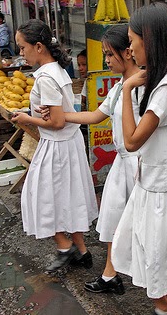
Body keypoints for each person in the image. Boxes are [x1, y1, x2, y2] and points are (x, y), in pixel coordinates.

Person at [111, 2, 167, 315]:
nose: (131, 49)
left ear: (149, 41)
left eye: (133, 41)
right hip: (151, 188)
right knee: (150, 269)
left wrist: (125, 92)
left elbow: (132, 141)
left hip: (165, 195)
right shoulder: (161, 80)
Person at [10, 19, 98, 274]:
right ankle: (81, 251)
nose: (21, 53)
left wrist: (28, 119)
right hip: (67, 144)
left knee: (42, 198)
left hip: (57, 145)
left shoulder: (46, 77)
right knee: (68, 198)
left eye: (22, 47)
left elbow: (57, 121)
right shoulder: (57, 70)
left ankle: (64, 247)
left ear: (38, 47)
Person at [62, 25, 142, 295]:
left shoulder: (144, 86)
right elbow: (96, 116)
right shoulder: (120, 87)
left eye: (110, 54)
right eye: (105, 54)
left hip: (142, 166)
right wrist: (62, 118)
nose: (106, 60)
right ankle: (111, 275)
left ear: (128, 52)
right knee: (112, 219)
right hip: (123, 163)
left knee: (146, 227)